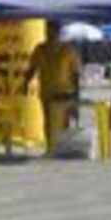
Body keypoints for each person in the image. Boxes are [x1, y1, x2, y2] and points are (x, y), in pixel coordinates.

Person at [25, 21, 81, 153]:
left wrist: (77, 93)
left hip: (65, 91)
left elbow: (76, 73)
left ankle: (63, 147)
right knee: (48, 121)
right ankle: (50, 147)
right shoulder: (40, 49)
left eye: (52, 31)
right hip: (47, 91)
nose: (50, 34)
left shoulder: (68, 50)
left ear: (58, 33)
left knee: (64, 122)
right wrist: (25, 83)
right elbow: (32, 68)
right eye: (48, 30)